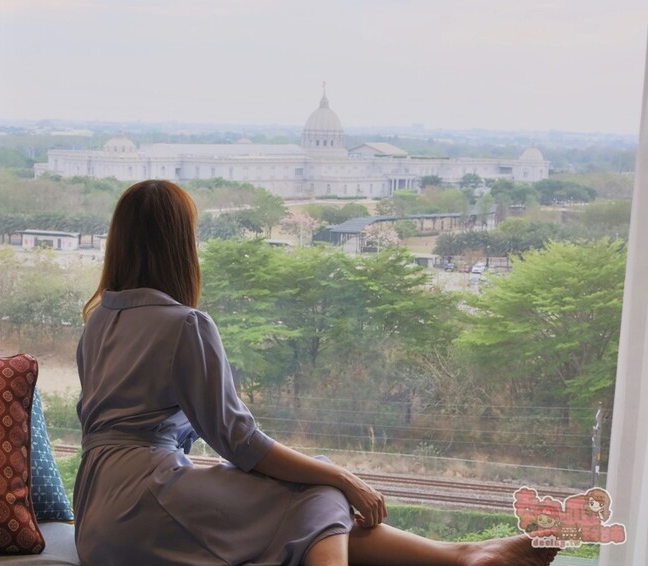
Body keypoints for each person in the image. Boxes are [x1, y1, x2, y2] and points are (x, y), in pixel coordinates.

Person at [73, 179, 558, 566]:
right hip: (144, 503)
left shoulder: (96, 321)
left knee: (296, 513)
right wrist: (345, 476)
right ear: (180, 245)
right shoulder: (184, 324)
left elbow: (128, 432)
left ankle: (466, 554)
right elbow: (239, 442)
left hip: (96, 516)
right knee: (319, 488)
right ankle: (464, 556)